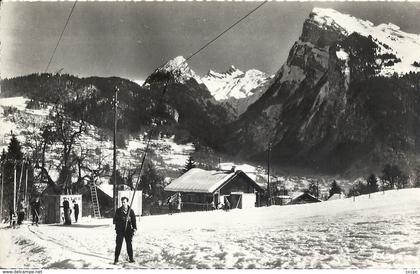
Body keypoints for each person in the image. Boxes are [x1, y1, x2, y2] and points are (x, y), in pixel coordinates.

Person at [113, 197, 137, 264]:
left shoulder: (130, 211)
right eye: (122, 202)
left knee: (129, 244)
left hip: (128, 230)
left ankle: (131, 258)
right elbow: (115, 220)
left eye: (125, 202)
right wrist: (122, 219)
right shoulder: (118, 210)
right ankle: (116, 259)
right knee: (118, 245)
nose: (123, 203)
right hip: (120, 230)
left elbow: (134, 220)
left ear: (127, 202)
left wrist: (134, 228)